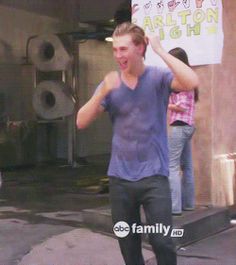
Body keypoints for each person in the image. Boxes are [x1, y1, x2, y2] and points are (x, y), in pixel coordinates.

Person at [76, 22, 199, 265]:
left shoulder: (158, 77)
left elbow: (191, 81)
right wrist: (102, 93)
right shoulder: (110, 86)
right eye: (115, 50)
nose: (118, 55)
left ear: (140, 48)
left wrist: (161, 51)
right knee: (128, 244)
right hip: (120, 179)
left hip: (154, 177)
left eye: (123, 49)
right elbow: (80, 121)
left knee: (162, 241)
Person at [168, 47, 199, 216]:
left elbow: (180, 106)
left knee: (171, 166)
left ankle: (174, 207)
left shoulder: (182, 80)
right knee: (187, 166)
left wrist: (166, 103)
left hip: (179, 126)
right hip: (189, 126)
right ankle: (188, 204)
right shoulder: (189, 78)